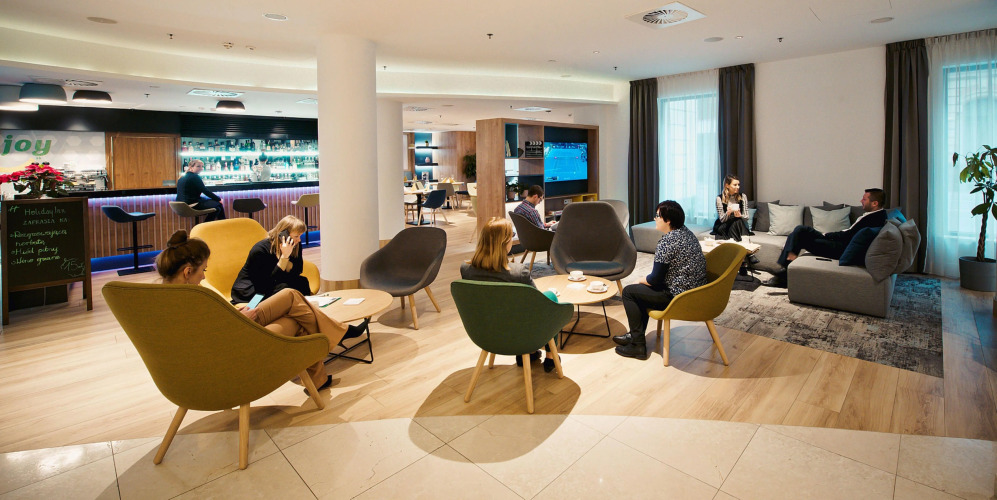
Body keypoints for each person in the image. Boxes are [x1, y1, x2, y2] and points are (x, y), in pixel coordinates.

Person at [155, 230, 364, 391]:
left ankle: (323, 367)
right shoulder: (192, 298)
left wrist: (238, 314)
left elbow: (211, 326)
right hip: (240, 340)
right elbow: (264, 287)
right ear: (187, 271)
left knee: (291, 297)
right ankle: (337, 334)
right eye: (203, 270)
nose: (203, 276)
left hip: (238, 325)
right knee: (295, 315)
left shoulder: (164, 298)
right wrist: (283, 260)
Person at [460, 217, 559, 372]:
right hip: (519, 334)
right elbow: (538, 306)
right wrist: (551, 294)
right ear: (504, 242)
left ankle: (530, 353)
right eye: (511, 236)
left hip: (485, 333)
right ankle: (550, 357)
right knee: (550, 298)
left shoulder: (466, 270)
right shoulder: (518, 273)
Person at [613, 201, 706, 360]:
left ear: (668, 220)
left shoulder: (667, 241)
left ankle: (637, 346)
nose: (655, 219)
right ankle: (635, 336)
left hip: (677, 297)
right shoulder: (687, 234)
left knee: (629, 292)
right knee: (640, 292)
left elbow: (655, 279)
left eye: (657, 216)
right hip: (696, 293)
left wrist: (641, 280)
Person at [765, 188, 888, 288]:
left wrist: (828, 235)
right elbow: (850, 233)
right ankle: (786, 269)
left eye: (864, 199)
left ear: (875, 203)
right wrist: (830, 234)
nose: (861, 200)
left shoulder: (874, 219)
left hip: (840, 248)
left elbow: (848, 236)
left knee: (800, 235)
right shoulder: (877, 215)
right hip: (839, 241)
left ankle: (784, 271)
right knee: (800, 231)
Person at [231, 215, 311, 303]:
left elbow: (298, 271)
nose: (299, 240)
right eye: (296, 236)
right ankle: (251, 307)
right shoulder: (260, 249)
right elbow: (265, 282)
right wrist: (284, 257)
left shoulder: (295, 246)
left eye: (300, 236)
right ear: (283, 234)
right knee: (283, 288)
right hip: (253, 288)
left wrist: (288, 256)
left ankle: (305, 307)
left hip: (275, 283)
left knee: (302, 282)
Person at [711, 175, 753, 242]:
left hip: (738, 224)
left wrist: (740, 216)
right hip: (724, 225)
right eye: (735, 185)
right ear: (727, 185)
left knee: (737, 221)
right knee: (734, 222)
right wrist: (728, 213)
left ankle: (733, 243)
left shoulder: (743, 196)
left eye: (738, 184)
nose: (738, 187)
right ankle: (741, 243)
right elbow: (722, 219)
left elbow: (747, 217)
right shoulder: (719, 198)